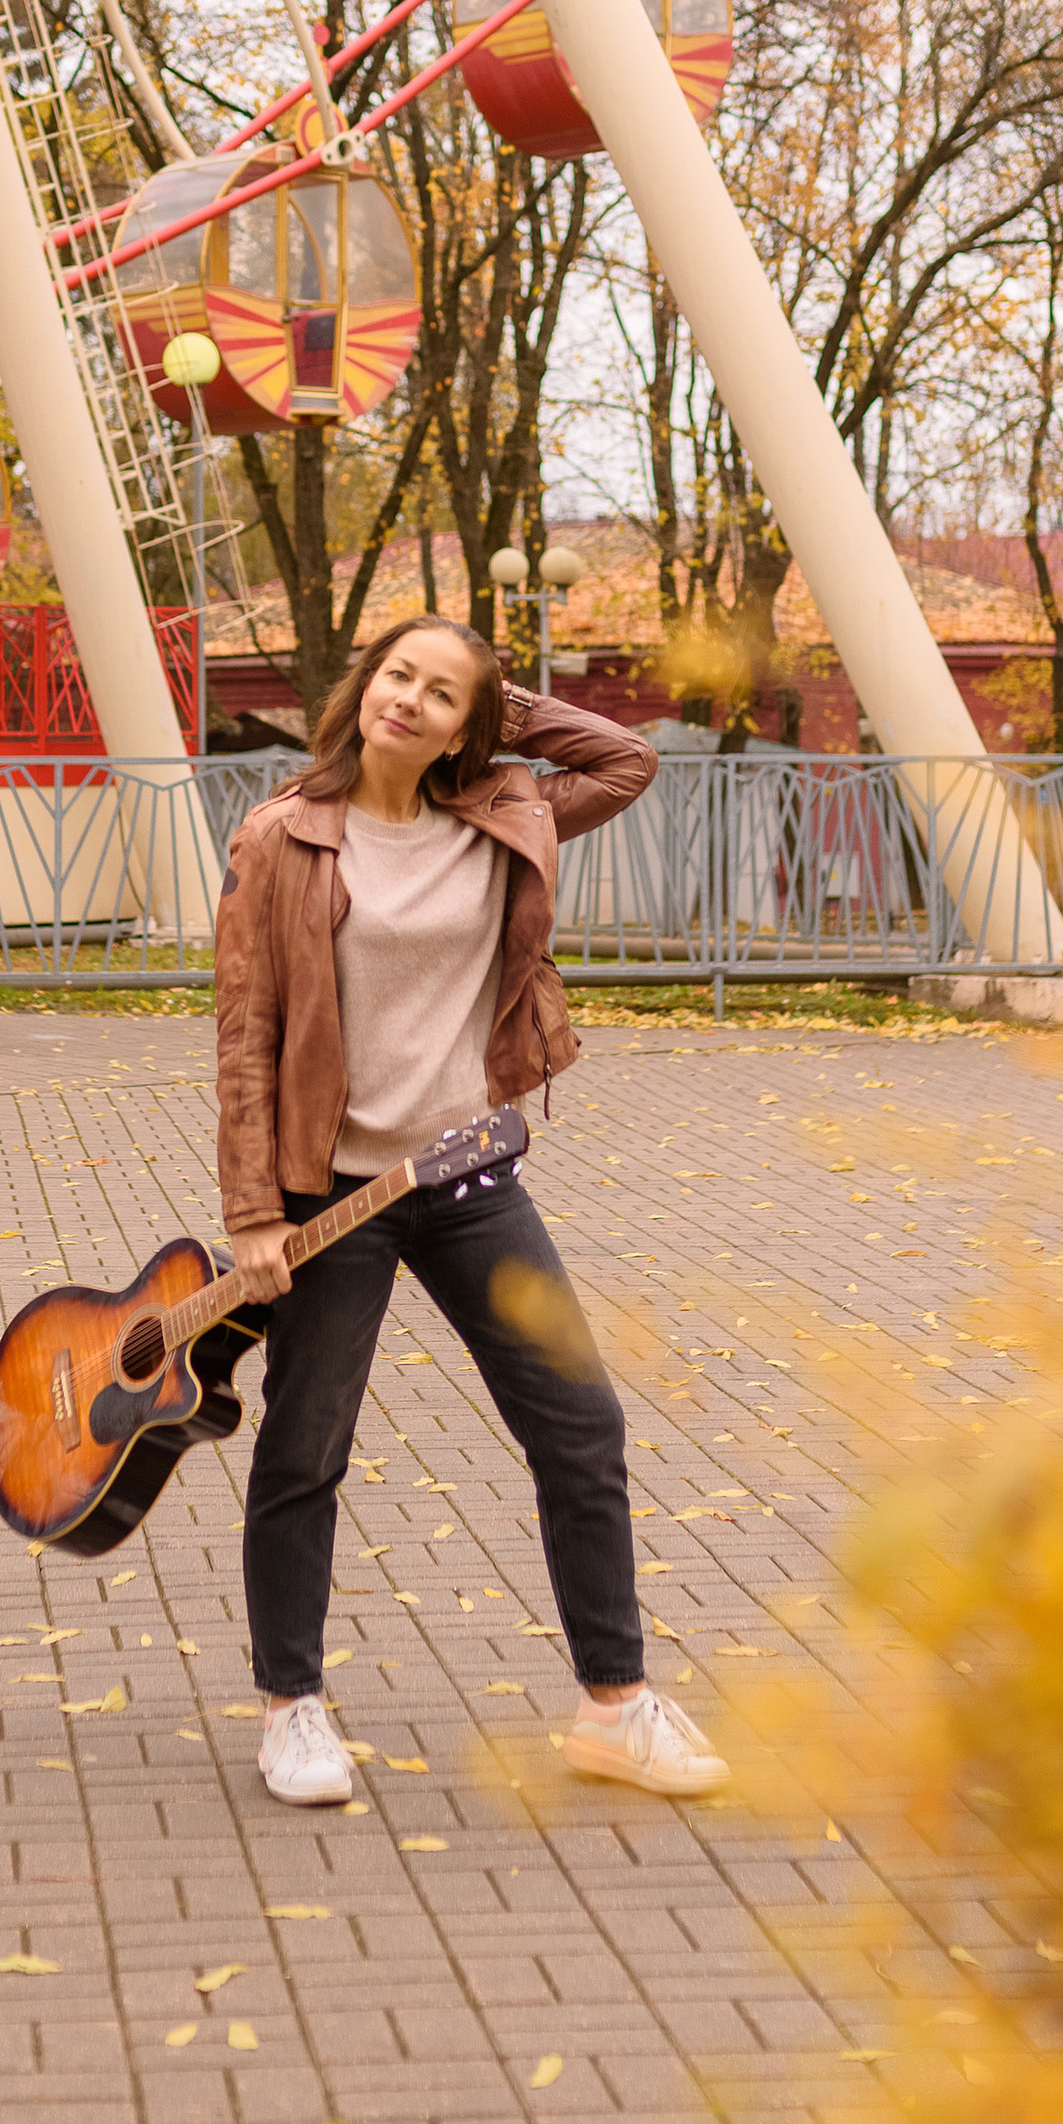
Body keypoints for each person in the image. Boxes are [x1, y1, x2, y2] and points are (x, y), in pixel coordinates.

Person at [214, 614, 728, 1808]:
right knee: (306, 1447)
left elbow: (625, 760)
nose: (409, 702)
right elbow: (247, 1039)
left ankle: (615, 1706)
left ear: (467, 724)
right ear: (364, 686)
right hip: (334, 1193)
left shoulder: (504, 814)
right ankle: (292, 1707)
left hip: (466, 1179)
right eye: (399, 676)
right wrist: (252, 1219)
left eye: (442, 695)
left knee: (579, 1422)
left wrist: (500, 704)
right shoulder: (281, 838)